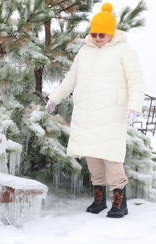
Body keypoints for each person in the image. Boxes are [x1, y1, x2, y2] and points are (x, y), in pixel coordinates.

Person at [45, 2, 144, 218]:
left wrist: (134, 107)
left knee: (112, 157)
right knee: (92, 157)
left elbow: (135, 80)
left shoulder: (124, 50)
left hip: (111, 113)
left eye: (102, 34)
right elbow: (70, 80)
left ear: (110, 33)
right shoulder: (84, 51)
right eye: (94, 33)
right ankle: (99, 197)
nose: (98, 37)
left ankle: (119, 199)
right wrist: (54, 98)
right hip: (86, 113)